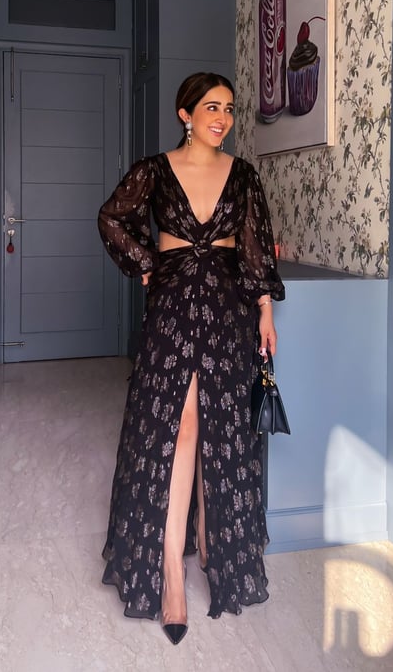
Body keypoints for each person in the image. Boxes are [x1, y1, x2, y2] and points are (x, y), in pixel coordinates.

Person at [97, 71, 285, 645]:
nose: (222, 118)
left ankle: (211, 542)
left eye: (229, 108)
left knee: (220, 425)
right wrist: (147, 264)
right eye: (211, 107)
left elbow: (254, 247)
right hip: (174, 305)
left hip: (229, 309)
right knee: (177, 428)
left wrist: (265, 311)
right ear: (185, 114)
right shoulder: (154, 171)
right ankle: (171, 572)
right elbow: (111, 218)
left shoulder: (244, 174)